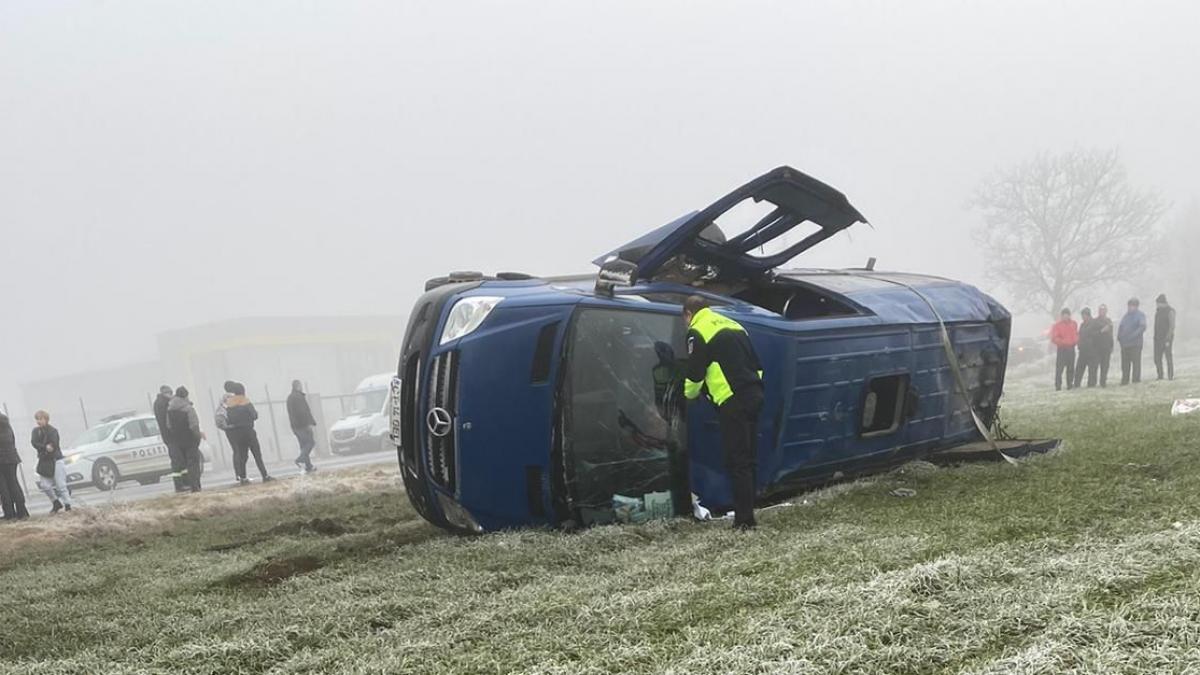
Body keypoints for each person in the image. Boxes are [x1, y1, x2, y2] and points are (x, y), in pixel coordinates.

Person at [682, 295, 764, 530]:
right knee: (748, 460)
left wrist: (688, 396)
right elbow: (757, 365)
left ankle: (745, 522)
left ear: (688, 314)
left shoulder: (697, 330)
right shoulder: (734, 324)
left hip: (732, 401)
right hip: (754, 395)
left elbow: (695, 371)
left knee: (737, 461)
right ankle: (748, 511)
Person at [225, 382, 272, 485]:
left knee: (243, 455)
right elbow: (254, 415)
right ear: (243, 391)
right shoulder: (245, 401)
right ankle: (265, 475)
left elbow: (228, 419)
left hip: (237, 433)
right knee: (257, 454)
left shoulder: (229, 403)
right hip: (249, 431)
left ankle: (243, 478)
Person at [30, 410, 72, 514]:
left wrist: (48, 447)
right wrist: (44, 447)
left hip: (56, 460)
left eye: (41, 419)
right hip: (44, 460)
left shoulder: (53, 430)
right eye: (37, 419)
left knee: (60, 485)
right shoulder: (36, 431)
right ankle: (56, 502)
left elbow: (54, 445)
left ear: (46, 419)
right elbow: (34, 443)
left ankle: (68, 505)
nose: (39, 421)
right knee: (45, 485)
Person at [165, 386, 204, 493]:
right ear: (186, 396)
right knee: (193, 463)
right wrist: (197, 437)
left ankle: (186, 484)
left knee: (184, 464)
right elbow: (194, 426)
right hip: (190, 440)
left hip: (177, 441)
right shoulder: (189, 409)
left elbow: (168, 426)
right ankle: (195, 486)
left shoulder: (170, 410)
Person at [153, 384, 186, 492]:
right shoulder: (164, 404)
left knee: (178, 459)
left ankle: (182, 483)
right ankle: (180, 485)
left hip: (168, 436)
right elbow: (169, 419)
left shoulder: (158, 403)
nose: (171, 395)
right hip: (171, 436)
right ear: (165, 393)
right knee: (177, 460)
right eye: (169, 393)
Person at [0, 413, 30, 521]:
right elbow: (12, 440)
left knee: (3, 487)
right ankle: (22, 512)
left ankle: (9, 513)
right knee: (13, 483)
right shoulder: (6, 424)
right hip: (12, 457)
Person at [287, 380, 318, 474]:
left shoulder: (289, 398)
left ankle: (308, 466)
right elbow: (303, 411)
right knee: (310, 442)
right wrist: (309, 423)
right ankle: (300, 459)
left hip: (295, 426)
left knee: (303, 445)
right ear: (297, 386)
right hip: (302, 425)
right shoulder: (299, 397)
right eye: (300, 385)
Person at [1118, 298, 1147, 385]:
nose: (1130, 307)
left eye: (1132, 305)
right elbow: (1121, 327)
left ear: (1136, 306)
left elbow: (1142, 327)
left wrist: (1133, 336)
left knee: (1136, 362)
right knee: (1125, 364)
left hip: (1136, 344)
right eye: (1129, 305)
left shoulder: (1140, 315)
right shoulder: (1125, 316)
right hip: (1125, 344)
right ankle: (1125, 379)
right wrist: (1119, 337)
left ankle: (1136, 379)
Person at [1050, 308, 1079, 391]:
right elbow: (1054, 338)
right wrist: (1062, 342)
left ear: (1069, 315)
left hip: (1071, 348)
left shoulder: (1074, 324)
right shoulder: (1057, 325)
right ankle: (1058, 386)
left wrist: (1076, 341)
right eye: (1064, 315)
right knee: (1059, 369)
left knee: (1070, 368)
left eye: (1067, 315)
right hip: (1062, 349)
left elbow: (1076, 334)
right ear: (1062, 316)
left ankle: (1070, 384)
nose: (1066, 317)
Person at [1154, 294, 1176, 381]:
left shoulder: (1170, 311)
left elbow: (1172, 325)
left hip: (1166, 338)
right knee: (1157, 358)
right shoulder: (1158, 312)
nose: (1157, 305)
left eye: (1158, 303)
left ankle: (1170, 375)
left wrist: (1168, 337)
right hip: (1157, 338)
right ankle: (1160, 375)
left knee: (1168, 357)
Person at [1074, 307, 1097, 388]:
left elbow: (1096, 334)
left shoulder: (1094, 323)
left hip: (1092, 350)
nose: (1083, 317)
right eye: (1082, 315)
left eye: (1084, 315)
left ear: (1088, 315)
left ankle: (1091, 384)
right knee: (1079, 369)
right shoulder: (1082, 325)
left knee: (1092, 369)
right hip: (1083, 350)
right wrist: (1079, 344)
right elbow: (1080, 335)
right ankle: (1076, 384)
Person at [1095, 304, 1115, 387]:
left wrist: (1112, 345)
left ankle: (1103, 382)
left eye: (1104, 310)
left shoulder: (1109, 321)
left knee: (1105, 366)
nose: (1102, 312)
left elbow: (1111, 334)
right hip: (1097, 347)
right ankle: (1092, 382)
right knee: (1095, 366)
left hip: (1107, 347)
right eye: (1101, 310)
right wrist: (1101, 331)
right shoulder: (1095, 321)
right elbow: (1093, 334)